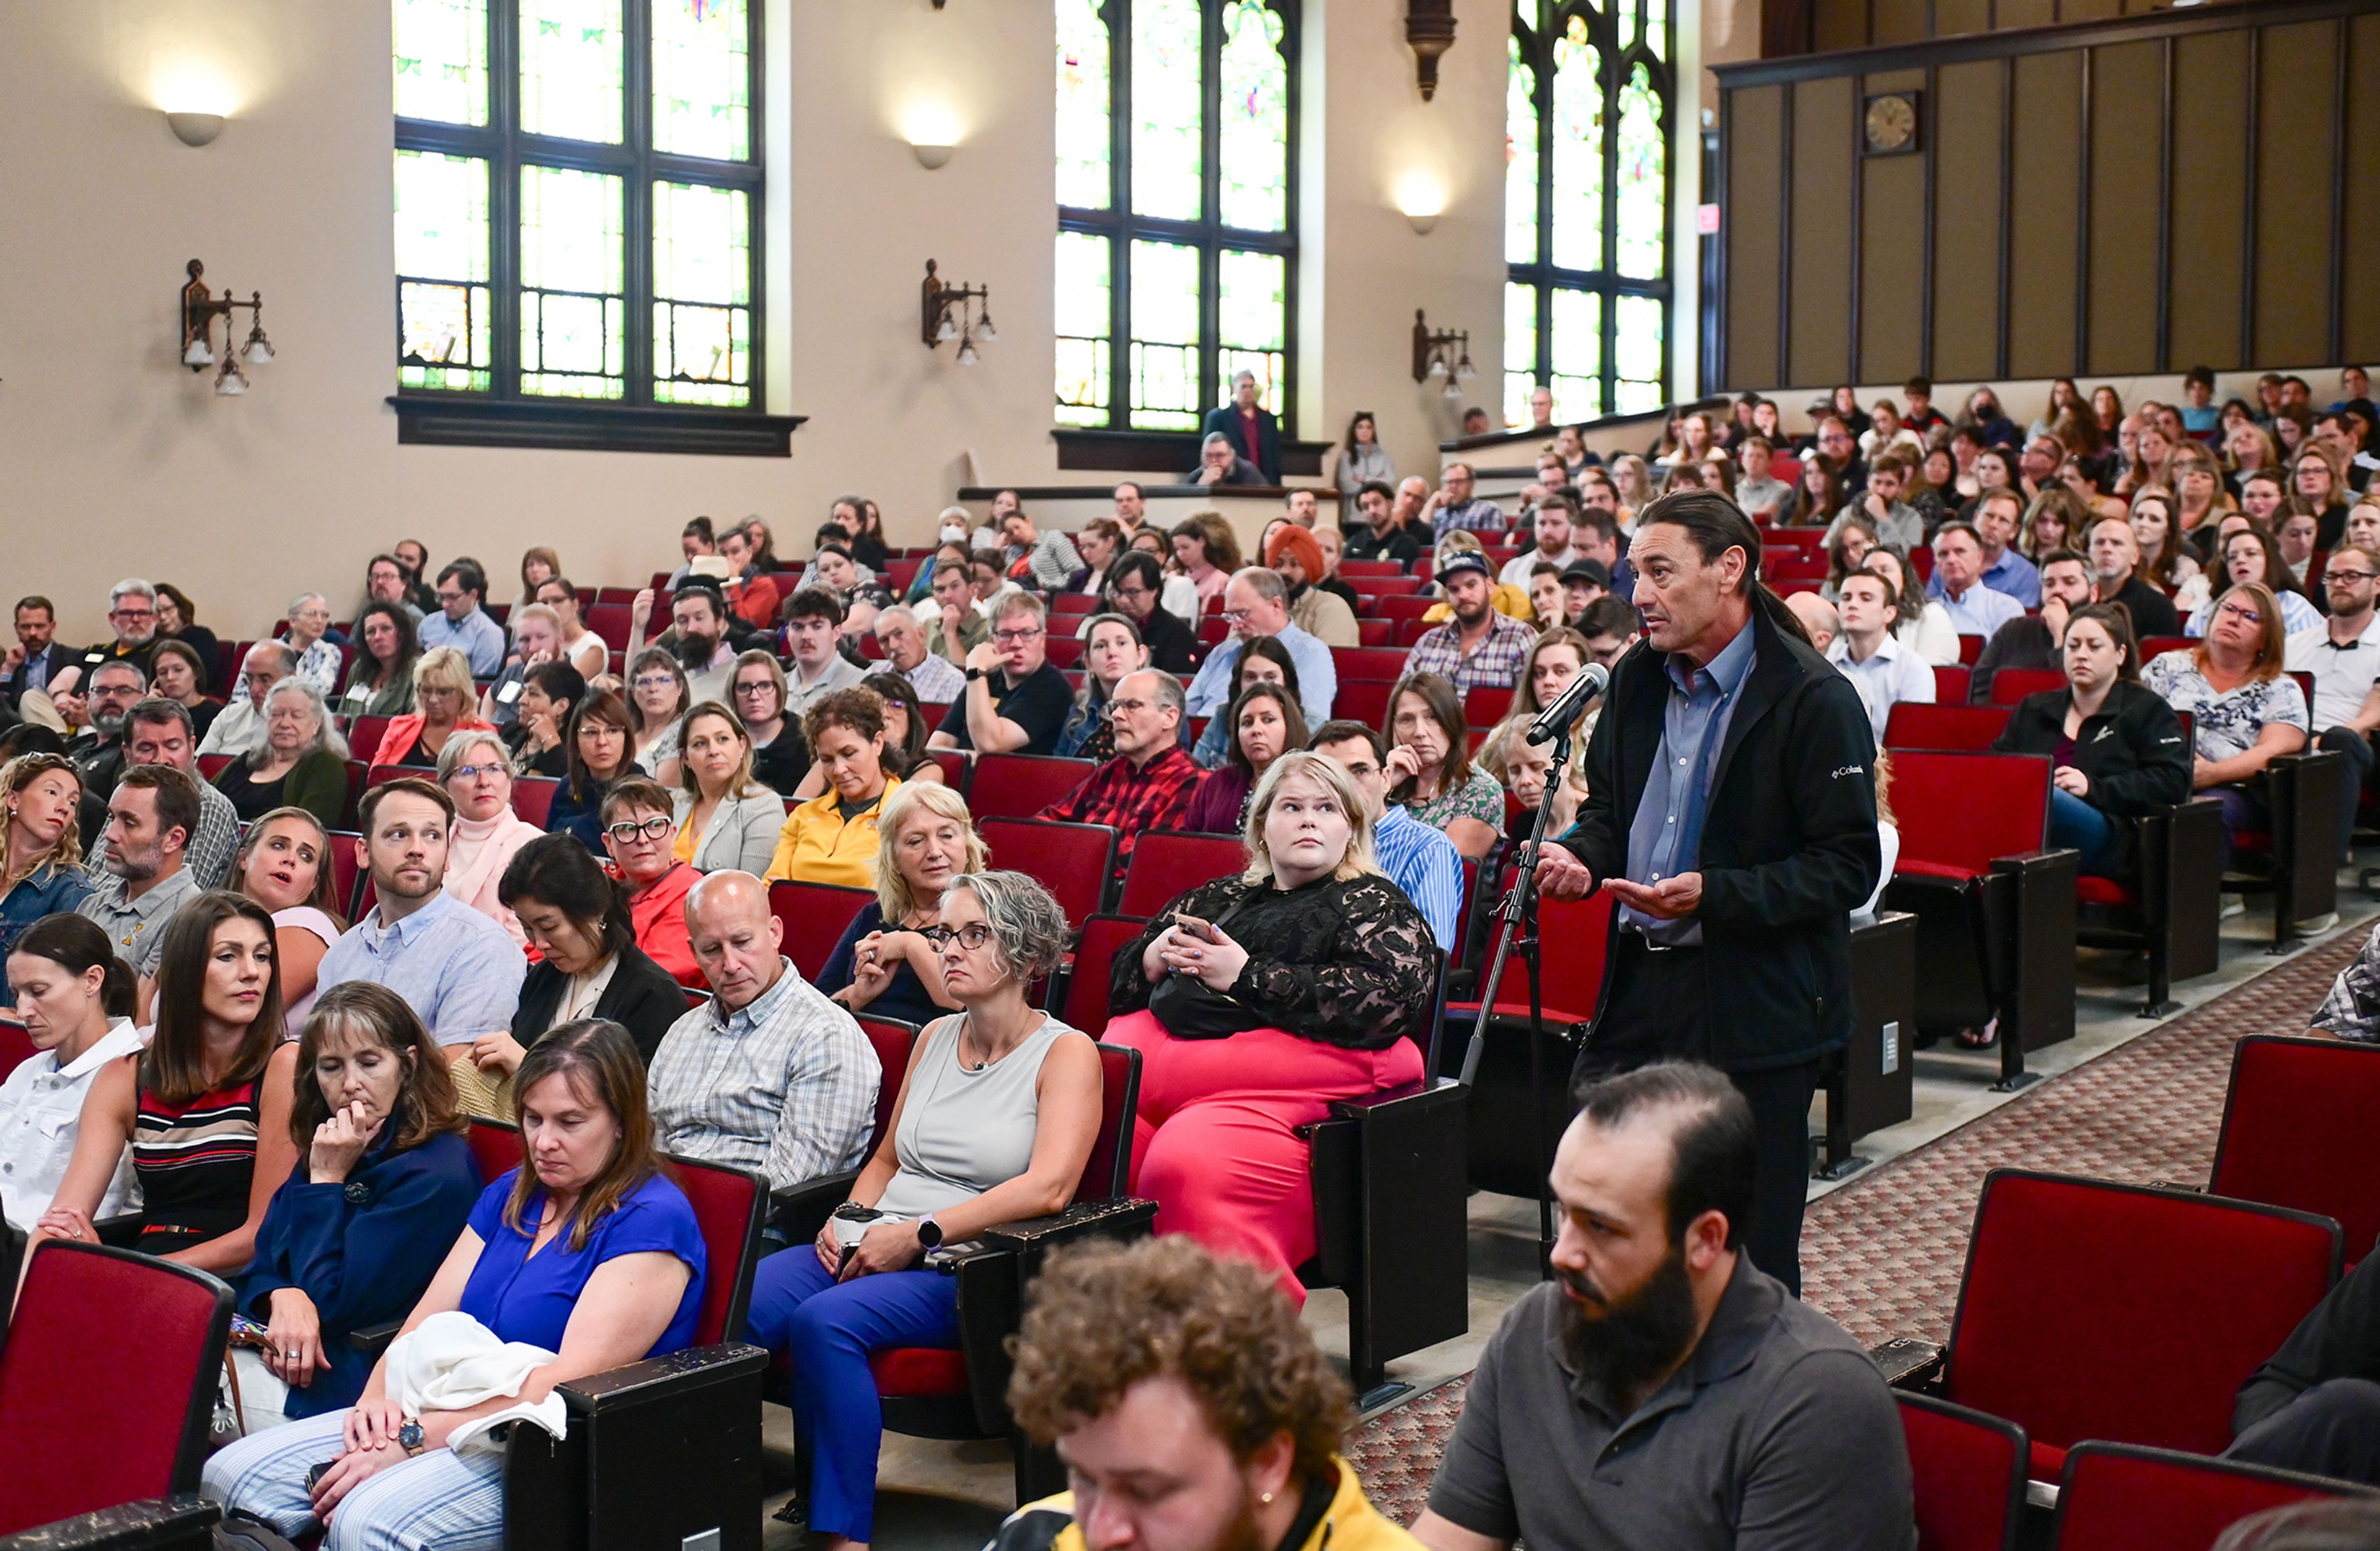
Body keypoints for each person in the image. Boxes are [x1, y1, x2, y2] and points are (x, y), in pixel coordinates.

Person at [1535, 492, 1880, 1295]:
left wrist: (1715, 895)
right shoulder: (1636, 684)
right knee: (1633, 1221)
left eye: (1660, 571)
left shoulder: (1810, 697)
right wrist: (1583, 858)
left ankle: (1756, 1414)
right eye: (1635, 572)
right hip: (1645, 991)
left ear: (1731, 569)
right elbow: (1610, 813)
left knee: (1747, 1250)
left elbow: (1846, 866)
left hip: (1757, 1004)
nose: (1640, 594)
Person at [202, 1020, 706, 1549]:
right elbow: (422, 1320)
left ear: (623, 1123)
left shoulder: (652, 1219)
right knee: (232, 1477)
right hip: (438, 1403)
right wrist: (379, 1406)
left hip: (541, 1445)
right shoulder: (514, 1191)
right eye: (533, 1119)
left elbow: (565, 1382)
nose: (544, 1141)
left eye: (570, 1122)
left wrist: (412, 1439)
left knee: (363, 1522)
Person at [1412, 1064, 1913, 1551]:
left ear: (1705, 1240)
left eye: (1600, 1226)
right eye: (1564, 1211)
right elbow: (1448, 1537)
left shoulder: (1816, 1403)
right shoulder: (1536, 1329)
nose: (1561, 1253)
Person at [746, 870, 1101, 1546]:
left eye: (975, 934)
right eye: (944, 934)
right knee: (738, 1301)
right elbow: (885, 1161)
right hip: (884, 1235)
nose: (949, 950)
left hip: (970, 1265)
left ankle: (840, 1534)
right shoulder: (936, 1037)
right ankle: (691, 1501)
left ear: (1026, 955)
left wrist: (920, 1233)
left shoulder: (1066, 1051)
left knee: (826, 1321)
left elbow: (1050, 1188)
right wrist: (847, 1217)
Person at [1105, 751, 1439, 1300]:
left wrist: (1246, 975)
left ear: (1350, 828)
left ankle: (1231, 1349)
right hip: (1169, 1074)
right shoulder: (1219, 897)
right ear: (1262, 827)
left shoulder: (1371, 902)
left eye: (1326, 808)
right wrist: (1153, 955)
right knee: (1087, 1138)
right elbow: (1118, 980)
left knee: (1185, 1162)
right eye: (1291, 807)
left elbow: (1391, 1001)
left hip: (1278, 1095)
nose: (1309, 819)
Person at [996, 1234, 1426, 1551]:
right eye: (1085, 1479)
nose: (1101, 1533)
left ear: (1267, 1462)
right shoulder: (1039, 1537)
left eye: (1148, 1492)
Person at [223, 981, 482, 1432]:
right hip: (272, 1349)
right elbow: (262, 1259)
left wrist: (326, 1182)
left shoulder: (437, 1173)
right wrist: (281, 1295)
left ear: (408, 1064)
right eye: (330, 1067)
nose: (350, 1085)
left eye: (369, 1062)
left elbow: (335, 1304)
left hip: (348, 1384)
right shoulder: (336, 1143)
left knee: (166, 1382)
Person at [37, 892, 302, 1269]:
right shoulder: (126, 1076)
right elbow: (66, 1216)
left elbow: (261, 1234)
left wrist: (133, 1273)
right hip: (146, 1263)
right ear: (186, 970)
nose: (252, 972)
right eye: (228, 956)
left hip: (230, 1282)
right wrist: (59, 1246)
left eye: (262, 956)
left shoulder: (283, 1066)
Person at [648, 870, 876, 1191]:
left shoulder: (826, 1035)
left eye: (742, 942)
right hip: (659, 1211)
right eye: (712, 950)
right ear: (693, 952)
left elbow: (790, 1180)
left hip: (752, 1228)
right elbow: (648, 1149)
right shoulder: (681, 1032)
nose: (730, 964)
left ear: (774, 932)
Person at [472, 832, 688, 1110]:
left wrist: (529, 1068)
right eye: (527, 928)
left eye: (549, 927)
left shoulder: (653, 995)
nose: (540, 943)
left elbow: (631, 1106)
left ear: (594, 912)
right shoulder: (543, 978)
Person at [317, 778, 526, 1051]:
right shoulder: (341, 953)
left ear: (447, 856)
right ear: (364, 853)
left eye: (432, 836)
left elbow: (461, 1075)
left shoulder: (482, 945)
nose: (417, 849)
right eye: (399, 834)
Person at [1992, 603, 2192, 888]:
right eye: (2073, 646)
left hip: (2111, 832)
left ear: (2120, 654)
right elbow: (1998, 764)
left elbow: (2173, 780)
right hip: (2030, 821)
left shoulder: (2146, 709)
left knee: (2050, 799)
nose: (2081, 655)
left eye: (2094, 646)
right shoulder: (2035, 707)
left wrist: (2092, 787)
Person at [2144, 582, 2311, 862]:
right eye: (2229, 609)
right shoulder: (2168, 667)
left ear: (2265, 639)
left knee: (2201, 812)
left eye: (2249, 617)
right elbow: (2131, 719)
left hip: (2235, 788)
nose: (2234, 619)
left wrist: (2214, 773)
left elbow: (2276, 750)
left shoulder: (2281, 688)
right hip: (2160, 773)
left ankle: (2202, 899)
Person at [0, 914, 141, 1229]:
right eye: (17, 994)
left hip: (44, 1251)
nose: (23, 1011)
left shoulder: (130, 1075)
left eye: (38, 991)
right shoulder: (28, 1070)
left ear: (92, 980)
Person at [820, 782, 987, 1026]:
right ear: (893, 857)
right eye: (915, 841)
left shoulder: (985, 915)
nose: (934, 851)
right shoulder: (874, 916)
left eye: (946, 835)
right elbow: (817, 1007)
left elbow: (971, 1007)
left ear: (967, 844)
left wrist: (909, 944)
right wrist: (859, 994)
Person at [1307, 720, 1463, 953]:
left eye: (1360, 771)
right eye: (1330, 776)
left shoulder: (1426, 848)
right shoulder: (1306, 842)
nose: (1346, 787)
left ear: (1386, 778)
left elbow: (1430, 955)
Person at [77, 762, 206, 991]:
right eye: (112, 818)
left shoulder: (191, 921)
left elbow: (142, 1022)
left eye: (129, 823)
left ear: (173, 839)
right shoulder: (91, 905)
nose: (111, 834)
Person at [2286, 543, 2380, 854]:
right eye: (2332, 577)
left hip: (2361, 744)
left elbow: (2372, 715)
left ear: (2377, 583)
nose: (2340, 583)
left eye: (2352, 576)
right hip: (2294, 738)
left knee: (2342, 741)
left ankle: (2324, 870)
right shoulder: (2296, 644)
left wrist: (2321, 741)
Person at [91, 697, 240, 888]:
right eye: (147, 748)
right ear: (127, 753)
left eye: (172, 746)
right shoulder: (126, 798)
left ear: (192, 746)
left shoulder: (208, 806)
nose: (161, 759)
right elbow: (92, 875)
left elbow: (179, 900)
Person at [769, 687, 905, 888]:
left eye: (849, 753)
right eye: (827, 760)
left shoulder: (909, 814)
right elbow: (773, 887)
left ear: (877, 743)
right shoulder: (802, 816)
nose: (839, 770)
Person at [232, 807, 346, 1037]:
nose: (290, 859)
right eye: (278, 846)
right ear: (244, 858)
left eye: (306, 856)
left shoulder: (310, 925)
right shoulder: (203, 918)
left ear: (314, 882)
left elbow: (237, 1024)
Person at [931, 593, 1075, 756]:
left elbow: (990, 744)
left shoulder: (1053, 688)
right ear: (993, 641)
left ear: (1042, 639)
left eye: (1027, 633)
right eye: (1006, 634)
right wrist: (972, 758)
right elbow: (937, 746)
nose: (1016, 644)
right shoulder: (984, 681)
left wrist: (976, 671)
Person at [437, 730, 544, 947]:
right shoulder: (432, 843)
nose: (484, 781)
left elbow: (525, 938)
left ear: (509, 779)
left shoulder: (534, 846)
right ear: (445, 786)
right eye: (468, 771)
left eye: (494, 769)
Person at [0, 755, 94, 1001]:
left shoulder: (71, 891)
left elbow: (65, 996)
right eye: (52, 792)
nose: (64, 807)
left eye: (73, 802)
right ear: (13, 799)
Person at [1386, 673, 1503, 862]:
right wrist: (1383, 786)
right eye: (1407, 719)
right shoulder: (1384, 786)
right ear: (1393, 729)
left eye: (1432, 717)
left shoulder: (1480, 789)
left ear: (1452, 722)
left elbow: (1444, 866)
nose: (1419, 732)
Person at [598, 777, 702, 988]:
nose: (643, 839)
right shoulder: (596, 888)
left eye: (655, 825)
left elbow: (656, 976)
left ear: (672, 834)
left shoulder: (695, 897)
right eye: (627, 829)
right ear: (609, 844)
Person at [664, 700, 781, 877]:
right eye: (700, 744)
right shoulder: (673, 802)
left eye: (723, 739)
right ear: (685, 758)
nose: (713, 751)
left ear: (742, 745)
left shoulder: (763, 805)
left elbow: (753, 889)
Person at [216, 678, 349, 829]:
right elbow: (203, 799)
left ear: (316, 725)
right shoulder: (248, 759)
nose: (285, 723)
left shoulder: (326, 766)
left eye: (296, 716)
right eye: (276, 714)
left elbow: (306, 827)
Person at [1968, 547, 2095, 704]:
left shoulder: (2103, 635)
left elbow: (2083, 693)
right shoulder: (2014, 629)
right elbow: (1978, 687)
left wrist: (2061, 635)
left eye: (2069, 582)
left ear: (2094, 592)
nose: (2057, 590)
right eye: (2049, 584)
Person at [1401, 554, 1541, 696]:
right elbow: (1403, 700)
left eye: (1471, 585)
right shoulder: (1428, 643)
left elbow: (1534, 706)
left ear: (1490, 586)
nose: (1463, 595)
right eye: (1454, 589)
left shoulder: (1521, 637)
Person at [1826, 568, 1936, 742]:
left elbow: (1914, 740)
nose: (1852, 605)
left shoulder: (1913, 669)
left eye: (1866, 598)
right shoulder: (1826, 664)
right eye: (1846, 598)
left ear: (1889, 613)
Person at [1185, 682, 1307, 837]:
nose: (1256, 730)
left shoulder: (1309, 785)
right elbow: (1186, 841)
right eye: (1247, 723)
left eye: (1268, 720)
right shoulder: (1218, 782)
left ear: (1290, 727)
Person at [366, 647, 493, 771]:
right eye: (426, 691)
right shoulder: (399, 727)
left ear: (463, 693)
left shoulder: (483, 734)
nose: (433, 700)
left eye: (443, 692)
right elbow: (376, 778)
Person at [2187, 526, 2325, 639]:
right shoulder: (2205, 614)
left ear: (2269, 560)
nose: (2240, 560)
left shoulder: (2293, 607)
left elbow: (2303, 664)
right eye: (2232, 557)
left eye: (2251, 553)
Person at [1191, 635, 1298, 770]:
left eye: (1270, 677)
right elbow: (1196, 769)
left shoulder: (1311, 721)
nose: (1260, 684)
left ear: (1286, 681)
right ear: (1239, 682)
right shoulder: (1222, 715)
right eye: (1251, 677)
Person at [549, 688, 635, 853]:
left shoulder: (640, 790)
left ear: (627, 738)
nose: (602, 741)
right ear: (576, 742)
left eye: (612, 731)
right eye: (591, 733)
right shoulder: (567, 786)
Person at [1056, 614, 1147, 763]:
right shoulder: (1079, 713)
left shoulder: (1163, 710)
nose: (1112, 653)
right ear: (1088, 662)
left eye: (1122, 643)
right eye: (1101, 646)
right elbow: (1060, 767)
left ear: (1141, 655)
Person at [2084, 515, 2184, 639]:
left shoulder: (2158, 607)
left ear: (2135, 556)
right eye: (2100, 543)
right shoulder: (2076, 599)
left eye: (2117, 543)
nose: (2107, 549)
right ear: (2089, 553)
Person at [1923, 521, 2025, 641]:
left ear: (1979, 557)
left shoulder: (2006, 609)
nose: (1951, 560)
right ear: (1936, 564)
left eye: (1960, 551)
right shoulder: (1924, 612)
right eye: (1943, 554)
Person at [724, 650, 808, 796]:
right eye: (744, 687)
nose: (754, 696)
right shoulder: (723, 738)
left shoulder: (805, 738)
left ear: (779, 689)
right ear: (733, 693)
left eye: (764, 686)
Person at [1102, 552, 1200, 675]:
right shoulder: (1106, 627)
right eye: (1117, 592)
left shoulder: (1177, 633)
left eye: (1132, 592)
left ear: (1154, 591)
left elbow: (1173, 684)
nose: (1123, 600)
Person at [198, 640, 298, 760]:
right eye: (249, 679)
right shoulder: (229, 715)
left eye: (265, 679)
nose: (254, 689)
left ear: (290, 679)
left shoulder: (306, 725)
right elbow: (199, 766)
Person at [1266, 525, 1360, 648]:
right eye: (1278, 564)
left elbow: (1329, 663)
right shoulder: (1258, 606)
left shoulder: (1331, 607)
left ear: (1309, 568)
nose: (1285, 571)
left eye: (1295, 564)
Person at [417, 561, 506, 677]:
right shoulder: (428, 623)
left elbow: (479, 685)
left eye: (452, 597)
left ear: (473, 595)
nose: (445, 604)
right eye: (441, 597)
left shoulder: (488, 633)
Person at [500, 660, 584, 780]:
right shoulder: (511, 731)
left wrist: (550, 739)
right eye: (523, 693)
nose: (521, 701)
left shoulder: (577, 748)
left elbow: (572, 783)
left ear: (561, 706)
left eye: (533, 694)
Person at [338, 601, 422, 719]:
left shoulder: (417, 670)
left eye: (386, 629)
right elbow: (342, 716)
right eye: (371, 632)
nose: (378, 637)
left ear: (402, 633)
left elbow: (414, 722)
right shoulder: (359, 668)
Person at [872, 605, 966, 705]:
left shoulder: (950, 680)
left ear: (921, 634)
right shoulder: (874, 673)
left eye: (899, 634)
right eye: (884, 640)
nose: (893, 646)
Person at [625, 646, 691, 783]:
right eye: (644, 682)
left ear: (679, 687)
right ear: (633, 692)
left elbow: (664, 794)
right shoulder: (626, 732)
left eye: (663, 680)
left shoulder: (684, 733)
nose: (653, 689)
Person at [1203, 371, 1283, 483]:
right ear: (1233, 388)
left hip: (1264, 481)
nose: (1248, 391)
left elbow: (1274, 455)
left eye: (1251, 387)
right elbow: (1209, 452)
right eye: (1244, 387)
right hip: (1231, 480)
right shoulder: (1218, 418)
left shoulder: (1268, 419)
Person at [3, 594, 79, 713]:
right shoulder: (10, 663)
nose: (33, 633)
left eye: (39, 626)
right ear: (16, 628)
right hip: (20, 727)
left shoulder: (73, 659)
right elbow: (3, 709)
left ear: (52, 627)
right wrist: (8, 669)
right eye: (25, 627)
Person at [532, 576, 610, 681]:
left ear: (575, 605)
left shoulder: (593, 647)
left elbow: (569, 687)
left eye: (557, 600)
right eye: (543, 603)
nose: (550, 608)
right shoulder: (541, 643)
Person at [148, 639, 223, 743]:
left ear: (196, 672)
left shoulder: (217, 714)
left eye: (178, 670)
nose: (170, 677)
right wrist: (151, 710)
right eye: (163, 672)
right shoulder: (154, 712)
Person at [1427, 463, 1507, 539]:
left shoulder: (1488, 510)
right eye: (1449, 482)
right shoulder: (1438, 514)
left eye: (1459, 482)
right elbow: (1422, 542)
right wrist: (1431, 505)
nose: (1453, 486)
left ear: (1472, 484)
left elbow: (1493, 546)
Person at [1336, 409, 1396, 508]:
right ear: (1354, 431)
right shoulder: (1346, 457)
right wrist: (1378, 481)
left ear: (1373, 431)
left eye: (1368, 427)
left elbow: (1390, 484)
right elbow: (1347, 487)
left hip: (1379, 514)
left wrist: (1365, 479)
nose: (1365, 431)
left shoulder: (1384, 457)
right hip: (1353, 516)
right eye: (1360, 427)